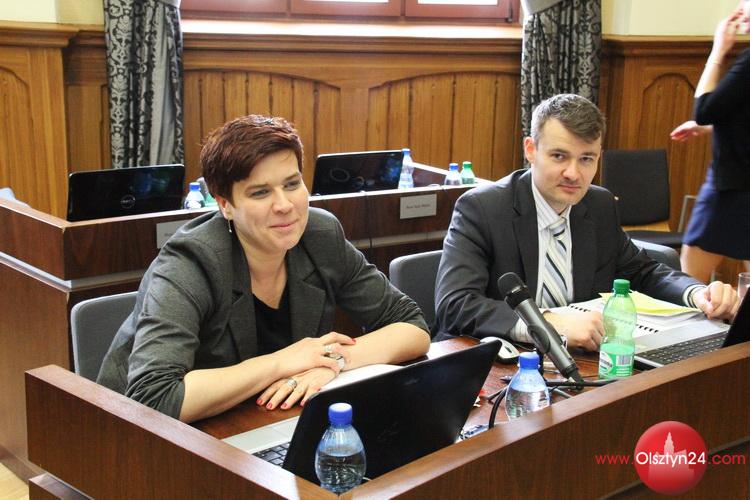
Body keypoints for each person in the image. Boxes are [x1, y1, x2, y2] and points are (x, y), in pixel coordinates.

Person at [98, 115, 430, 423]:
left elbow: (411, 326)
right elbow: (154, 398)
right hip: (137, 440)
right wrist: (280, 362)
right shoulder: (190, 262)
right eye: (260, 193)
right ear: (225, 205)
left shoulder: (320, 235)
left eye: (292, 184)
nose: (284, 205)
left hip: (255, 422)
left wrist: (332, 362)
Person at [435, 94, 738, 350]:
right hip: (503, 360)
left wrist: (698, 293)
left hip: (583, 358)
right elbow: (456, 305)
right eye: (559, 156)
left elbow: (642, 271)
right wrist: (549, 323)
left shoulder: (599, 204)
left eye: (586, 159)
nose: (573, 174)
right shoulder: (483, 208)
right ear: (531, 150)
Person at [670, 1, 750, 284]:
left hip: (732, 187)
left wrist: (718, 50)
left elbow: (704, 110)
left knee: (689, 285)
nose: (740, 8)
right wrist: (711, 128)